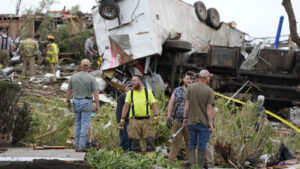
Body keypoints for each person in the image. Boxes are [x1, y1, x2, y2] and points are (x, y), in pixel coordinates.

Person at [183, 69, 215, 168]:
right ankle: (200, 166)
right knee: (202, 145)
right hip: (204, 123)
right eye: (209, 77)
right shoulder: (209, 91)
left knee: (192, 143)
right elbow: (209, 108)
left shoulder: (190, 88)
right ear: (205, 78)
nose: (210, 78)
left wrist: (185, 118)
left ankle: (193, 165)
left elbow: (187, 105)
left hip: (192, 122)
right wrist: (210, 123)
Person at [66, 59, 100, 152]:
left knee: (77, 123)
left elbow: (69, 90)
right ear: (89, 67)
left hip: (76, 102)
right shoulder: (91, 78)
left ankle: (77, 145)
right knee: (84, 124)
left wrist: (68, 101)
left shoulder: (73, 77)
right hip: (86, 102)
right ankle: (81, 146)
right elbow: (95, 92)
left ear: (80, 66)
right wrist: (97, 105)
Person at [120, 75, 159, 153]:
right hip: (134, 121)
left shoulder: (148, 92)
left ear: (140, 81)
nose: (132, 83)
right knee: (135, 144)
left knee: (150, 142)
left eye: (134, 81)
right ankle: (137, 163)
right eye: (132, 81)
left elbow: (154, 104)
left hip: (146, 121)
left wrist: (156, 116)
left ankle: (149, 162)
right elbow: (126, 106)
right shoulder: (130, 93)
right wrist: (122, 118)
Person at [166, 71, 194, 163]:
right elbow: (171, 104)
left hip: (190, 123)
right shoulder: (177, 90)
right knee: (175, 142)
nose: (189, 81)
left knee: (190, 143)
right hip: (177, 121)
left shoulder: (195, 92)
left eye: (191, 79)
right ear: (183, 79)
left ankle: (190, 164)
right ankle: (170, 162)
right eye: (187, 78)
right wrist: (168, 118)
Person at [116, 81, 132, 150]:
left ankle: (130, 154)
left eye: (132, 86)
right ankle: (123, 153)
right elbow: (119, 109)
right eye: (129, 86)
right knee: (124, 138)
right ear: (125, 88)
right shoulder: (122, 96)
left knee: (131, 139)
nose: (130, 88)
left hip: (132, 120)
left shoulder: (134, 97)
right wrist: (119, 120)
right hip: (124, 121)